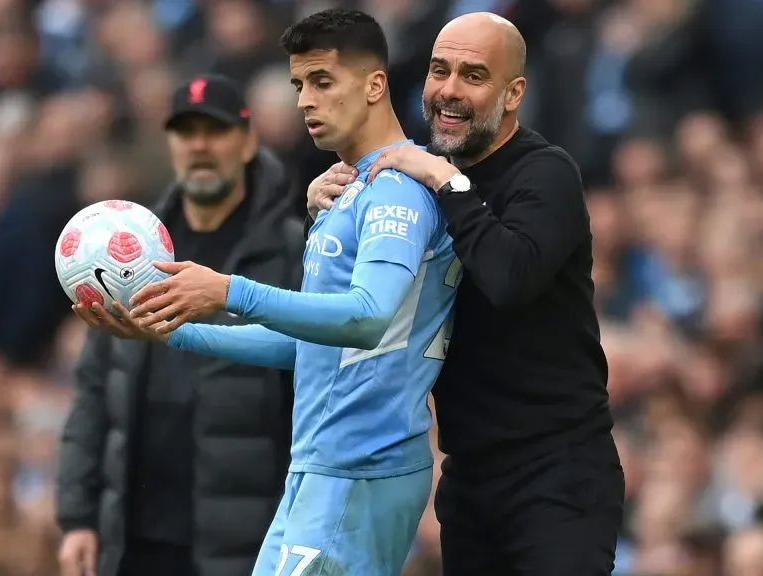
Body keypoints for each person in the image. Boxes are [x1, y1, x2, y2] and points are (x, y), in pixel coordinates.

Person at [73, 9, 459, 576]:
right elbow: (308, 348)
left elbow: (368, 317)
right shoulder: (345, 193)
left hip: (361, 468)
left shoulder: (398, 191)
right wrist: (173, 331)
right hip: (321, 469)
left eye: (323, 82)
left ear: (376, 84)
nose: (305, 100)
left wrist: (229, 289)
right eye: (299, 85)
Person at [307, 11, 625, 576]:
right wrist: (329, 215)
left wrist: (446, 181)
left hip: (558, 474)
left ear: (513, 94)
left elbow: (508, 279)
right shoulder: (421, 183)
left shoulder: (546, 173)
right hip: (469, 479)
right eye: (439, 71)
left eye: (473, 76)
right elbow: (371, 304)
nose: (449, 91)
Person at [55, 74, 304, 576]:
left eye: (215, 130)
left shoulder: (293, 252)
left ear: (248, 140)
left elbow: (313, 385)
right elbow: (94, 391)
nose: (199, 146)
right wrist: (78, 517)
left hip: (246, 537)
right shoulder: (122, 251)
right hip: (135, 535)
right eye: (185, 132)